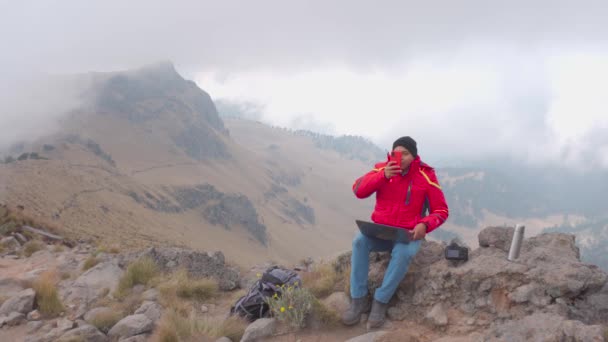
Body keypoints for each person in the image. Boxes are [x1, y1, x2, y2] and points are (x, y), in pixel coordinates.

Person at [342, 136, 449, 329]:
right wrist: (382, 175)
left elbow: (441, 211)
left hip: (408, 233)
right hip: (381, 232)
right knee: (359, 241)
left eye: (405, 153)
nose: (400, 157)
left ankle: (380, 301)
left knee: (403, 253)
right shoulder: (382, 168)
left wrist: (424, 225)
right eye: (396, 153)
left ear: (414, 155)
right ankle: (358, 299)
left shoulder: (426, 175)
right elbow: (358, 190)